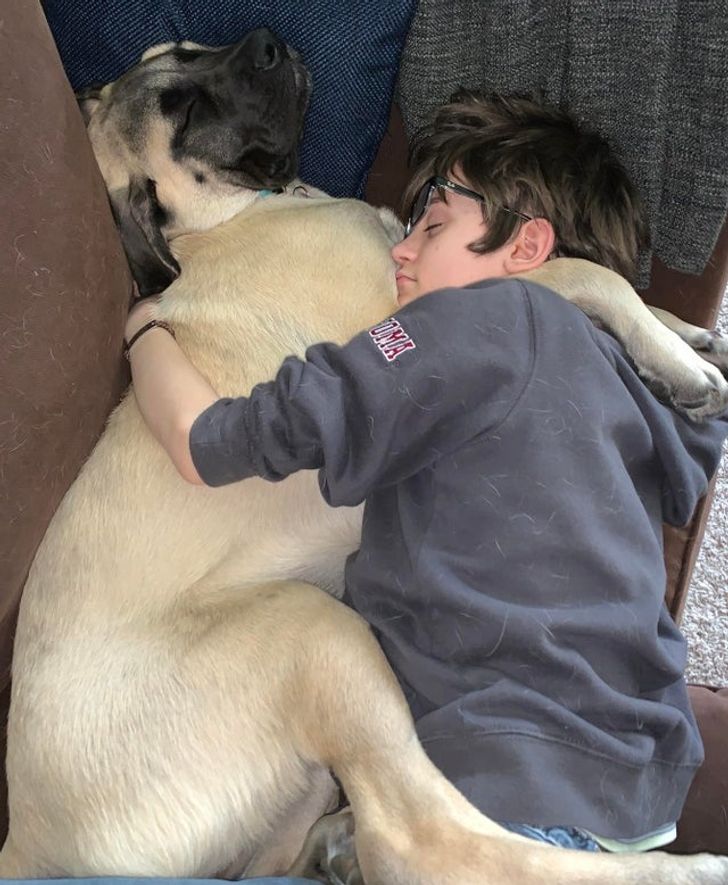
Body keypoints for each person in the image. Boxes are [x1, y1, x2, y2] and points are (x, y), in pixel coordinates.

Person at [123, 91, 728, 853]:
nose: (398, 252)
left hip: (492, 774)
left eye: (433, 226)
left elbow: (210, 441)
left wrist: (143, 323)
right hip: (636, 787)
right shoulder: (649, 387)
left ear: (530, 249)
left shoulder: (467, 326)